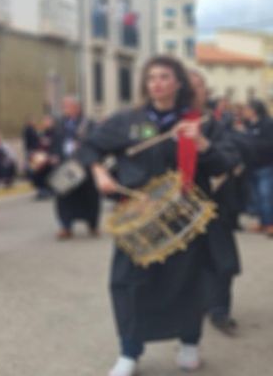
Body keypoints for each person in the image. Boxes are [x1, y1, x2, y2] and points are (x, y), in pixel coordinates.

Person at [78, 56, 232, 376]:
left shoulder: (200, 121)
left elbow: (224, 164)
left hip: (183, 221)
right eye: (151, 78)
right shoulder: (128, 121)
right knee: (127, 282)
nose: (157, 83)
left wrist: (201, 143)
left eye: (164, 76)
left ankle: (190, 344)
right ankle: (129, 352)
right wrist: (98, 174)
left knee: (189, 282)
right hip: (140, 218)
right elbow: (90, 147)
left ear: (178, 83)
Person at [188, 72, 242, 337]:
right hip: (178, 207)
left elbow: (231, 155)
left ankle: (219, 309)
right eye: (187, 85)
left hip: (213, 203)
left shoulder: (216, 124)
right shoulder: (165, 123)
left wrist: (206, 146)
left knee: (221, 260)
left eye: (197, 86)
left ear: (205, 92)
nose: (191, 90)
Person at [50, 96, 100, 239]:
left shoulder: (88, 123)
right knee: (63, 195)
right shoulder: (60, 124)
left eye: (67, 106)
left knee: (89, 196)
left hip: (83, 165)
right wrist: (54, 155)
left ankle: (92, 224)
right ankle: (65, 226)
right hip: (65, 165)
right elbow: (55, 142)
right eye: (64, 106)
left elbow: (95, 141)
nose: (64, 109)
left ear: (77, 107)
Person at [234, 100, 273, 235]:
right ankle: (262, 222)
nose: (244, 112)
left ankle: (269, 223)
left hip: (265, 165)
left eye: (246, 109)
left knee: (266, 196)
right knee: (256, 197)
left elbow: (269, 143)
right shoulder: (249, 125)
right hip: (252, 165)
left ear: (254, 110)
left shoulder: (267, 124)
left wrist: (249, 141)